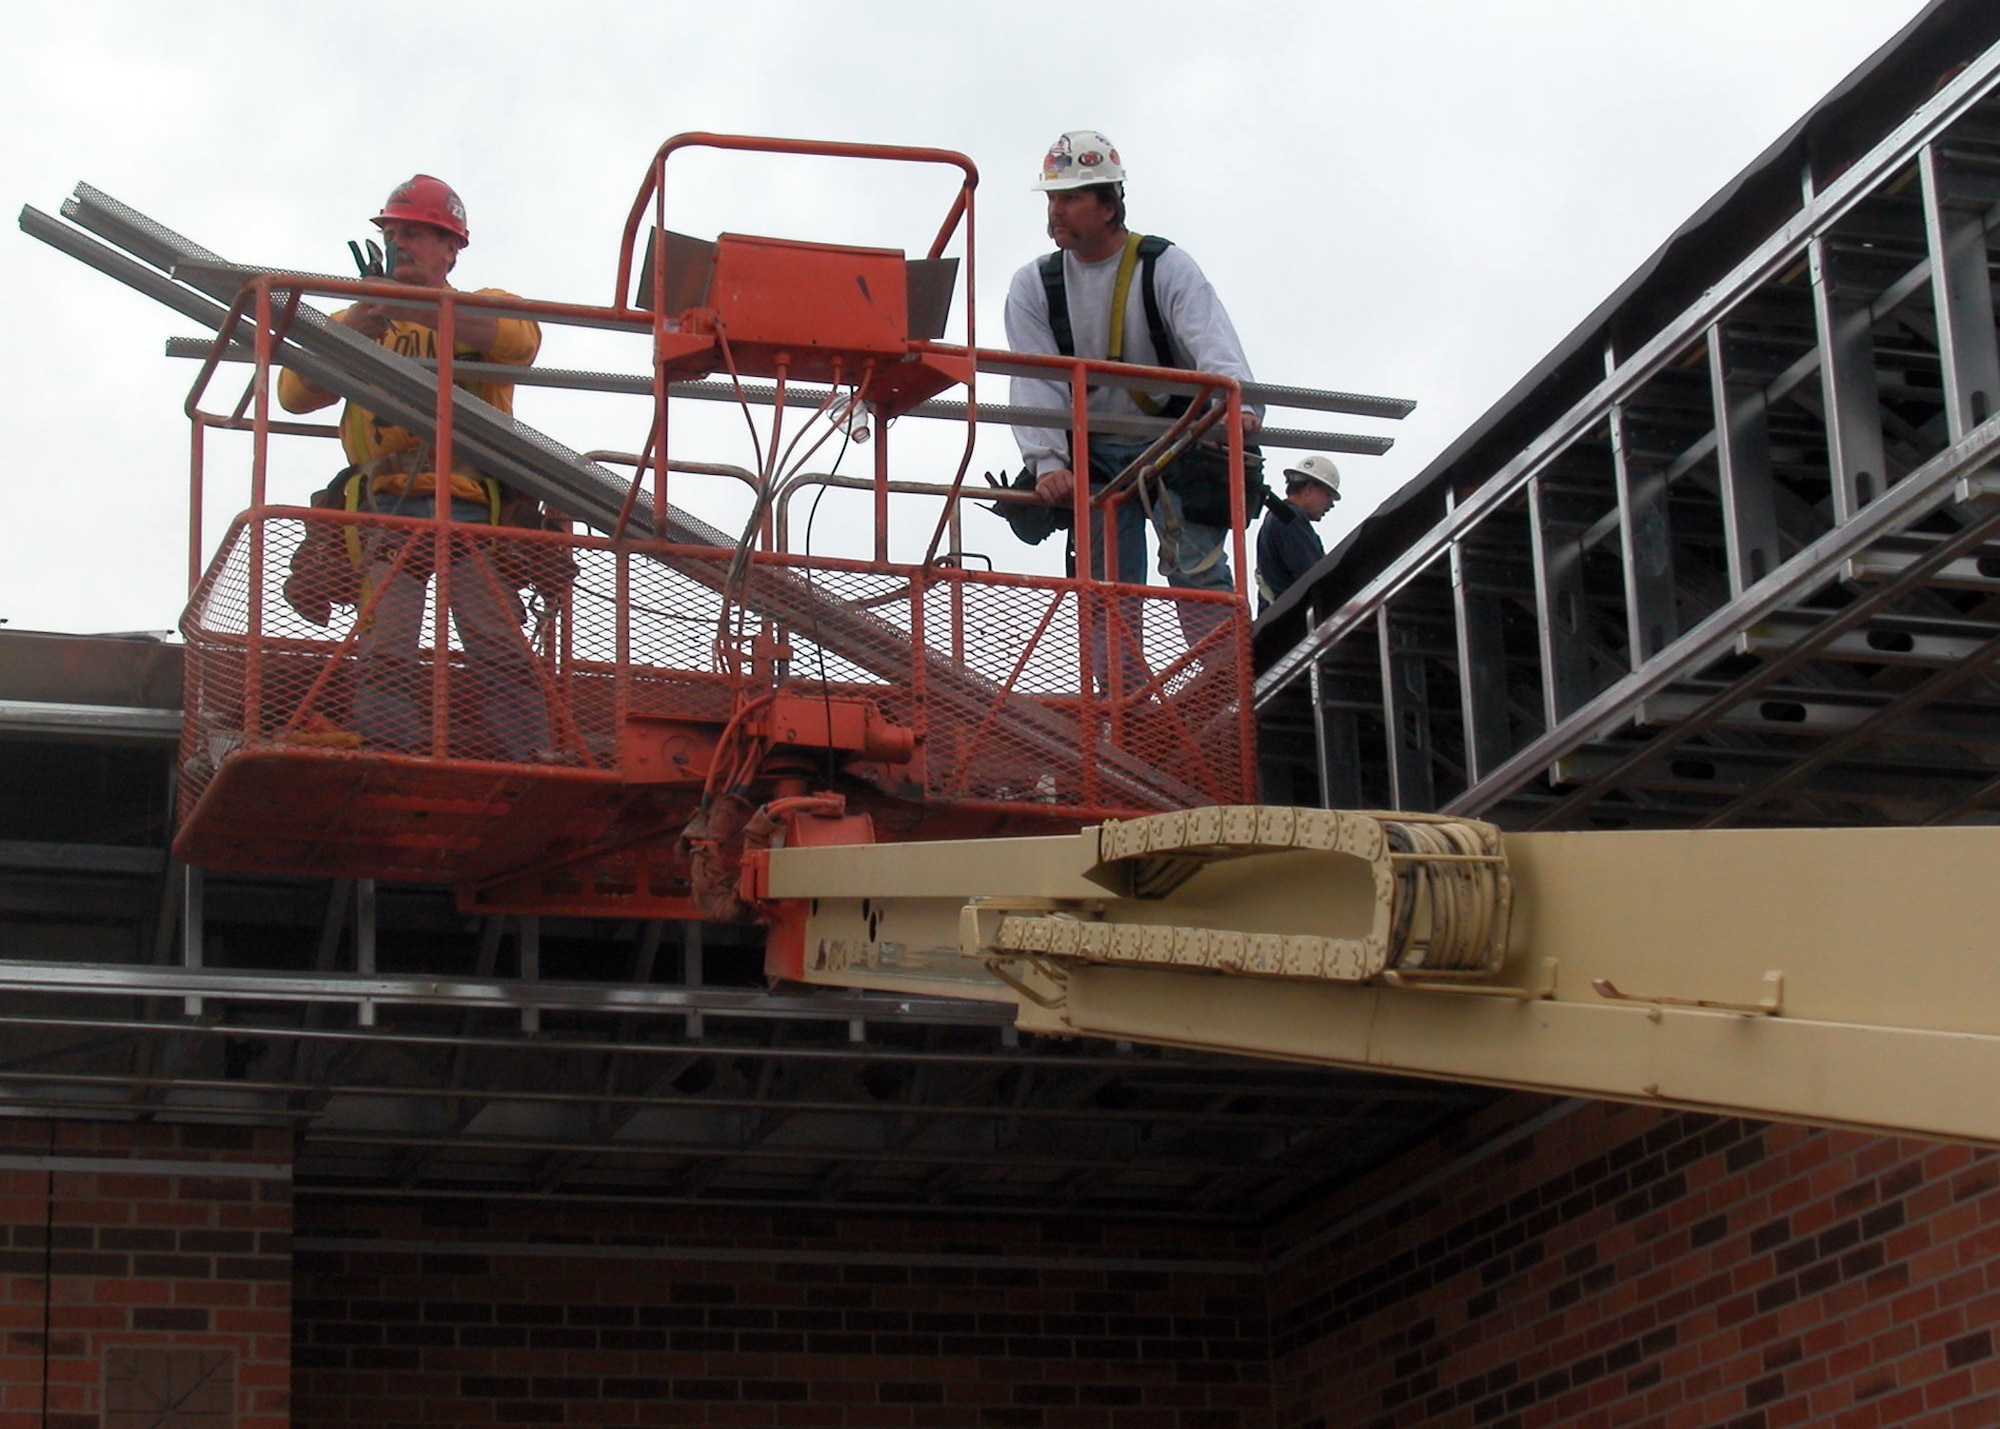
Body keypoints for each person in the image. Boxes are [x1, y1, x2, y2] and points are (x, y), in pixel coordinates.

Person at [278, 174, 550, 762]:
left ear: (452, 249)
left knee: (494, 637)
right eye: (393, 232)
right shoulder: (365, 321)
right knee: (388, 642)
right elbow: (294, 392)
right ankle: (386, 748)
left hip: (472, 503)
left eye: (418, 234)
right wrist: (358, 326)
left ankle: (529, 751)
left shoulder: (486, 305)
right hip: (387, 503)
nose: (400, 242)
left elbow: (519, 340)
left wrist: (412, 308)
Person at [1002, 129, 1263, 686]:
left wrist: (1235, 403)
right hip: (1095, 458)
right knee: (1107, 587)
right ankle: (1126, 709)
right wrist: (1047, 462)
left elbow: (1212, 340)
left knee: (1197, 568)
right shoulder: (1035, 285)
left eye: (1069, 198)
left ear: (1109, 204)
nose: (1055, 211)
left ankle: (1231, 687)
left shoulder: (1163, 266)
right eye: (1051, 198)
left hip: (1173, 445)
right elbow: (1034, 377)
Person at [1257, 454, 1341, 612]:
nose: (1330, 505)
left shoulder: (1279, 518)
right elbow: (1314, 576)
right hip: (1291, 622)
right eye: (1328, 495)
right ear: (1309, 489)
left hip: (1276, 618)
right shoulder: (1289, 519)